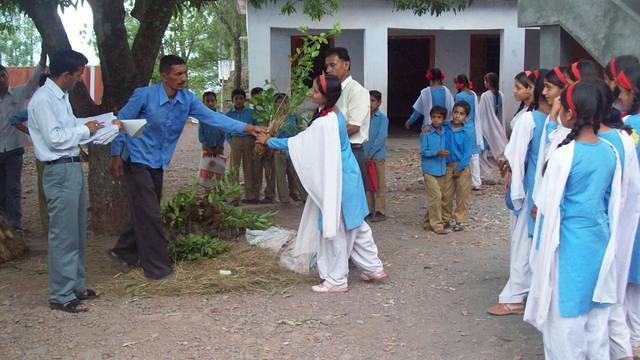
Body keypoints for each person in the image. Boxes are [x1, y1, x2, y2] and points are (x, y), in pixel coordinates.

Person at [109, 55, 264, 280]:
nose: (183, 78)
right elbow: (120, 123)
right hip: (136, 159)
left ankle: (121, 252)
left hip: (158, 161)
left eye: (185, 73)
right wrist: (116, 155)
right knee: (151, 213)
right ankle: (158, 269)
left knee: (146, 210)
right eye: (178, 74)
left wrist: (248, 128)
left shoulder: (187, 100)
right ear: (164, 76)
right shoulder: (144, 95)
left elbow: (214, 118)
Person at [255, 73, 385, 293]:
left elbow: (300, 143)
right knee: (357, 224)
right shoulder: (337, 115)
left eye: (315, 91)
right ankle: (373, 268)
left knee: (333, 228)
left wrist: (270, 141)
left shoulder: (324, 122)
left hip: (337, 179)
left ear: (326, 96)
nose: (311, 94)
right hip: (349, 174)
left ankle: (336, 280)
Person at [524, 82, 621, 359]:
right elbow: (612, 201)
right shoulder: (609, 151)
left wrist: (540, 258)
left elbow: (548, 208)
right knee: (596, 315)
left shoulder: (565, 154)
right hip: (599, 240)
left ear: (568, 113)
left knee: (566, 320)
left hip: (567, 243)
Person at [28, 49, 104, 313]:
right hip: (58, 169)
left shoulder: (61, 98)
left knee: (78, 230)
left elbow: (71, 126)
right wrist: (86, 130)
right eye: (78, 75)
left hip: (71, 168)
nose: (80, 80)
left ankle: (76, 285)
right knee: (63, 233)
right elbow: (55, 138)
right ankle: (61, 294)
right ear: (65, 74)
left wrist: (96, 124)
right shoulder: (43, 100)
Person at [487, 70, 539, 316]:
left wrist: (510, 174)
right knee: (527, 240)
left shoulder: (531, 120)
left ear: (532, 89)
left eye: (519, 87)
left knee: (522, 240)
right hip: (533, 184)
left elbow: (517, 156)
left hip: (529, 187)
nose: (515, 92)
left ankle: (516, 295)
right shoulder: (533, 115)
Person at [0, 51, 47, 231]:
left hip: (13, 150)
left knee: (12, 188)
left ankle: (15, 225)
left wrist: (43, 54)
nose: (1, 79)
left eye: (3, 75)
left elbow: (35, 78)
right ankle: (3, 225)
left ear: (7, 76)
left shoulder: (19, 93)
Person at [617, 64, 640, 358]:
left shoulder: (629, 127)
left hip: (631, 209)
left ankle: (633, 339)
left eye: (620, 90)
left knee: (629, 278)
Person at [325, 47, 370, 186]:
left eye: (332, 65)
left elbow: (353, 127)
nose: (328, 70)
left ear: (346, 64)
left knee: (351, 198)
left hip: (351, 151)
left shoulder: (357, 91)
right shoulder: (332, 92)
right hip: (333, 149)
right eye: (326, 66)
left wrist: (324, 137)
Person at [419, 105, 450, 235]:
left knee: (437, 197)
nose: (436, 120)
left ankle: (427, 222)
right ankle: (437, 225)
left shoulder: (445, 131)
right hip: (429, 169)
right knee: (436, 196)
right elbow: (423, 152)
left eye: (439, 117)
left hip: (442, 169)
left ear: (443, 119)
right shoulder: (426, 133)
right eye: (434, 117)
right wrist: (436, 152)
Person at [442, 101, 472, 232]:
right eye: (455, 112)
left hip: (462, 167)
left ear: (466, 117)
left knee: (462, 195)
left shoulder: (467, 132)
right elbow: (432, 128)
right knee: (446, 194)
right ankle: (445, 218)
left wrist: (459, 168)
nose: (457, 116)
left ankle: (460, 220)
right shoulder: (445, 128)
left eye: (461, 114)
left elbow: (467, 153)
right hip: (448, 165)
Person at [225, 88, 259, 204]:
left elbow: (256, 127)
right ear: (232, 100)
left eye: (241, 98)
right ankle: (234, 197)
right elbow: (226, 129)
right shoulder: (229, 114)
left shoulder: (251, 113)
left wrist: (255, 141)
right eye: (236, 99)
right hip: (235, 140)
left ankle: (250, 195)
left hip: (248, 140)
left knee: (249, 167)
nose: (239, 101)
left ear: (244, 100)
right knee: (233, 168)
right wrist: (230, 140)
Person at [453, 74, 482, 191]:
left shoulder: (459, 96)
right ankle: (477, 182)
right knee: (474, 156)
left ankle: (461, 180)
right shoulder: (473, 94)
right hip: (473, 127)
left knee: (462, 154)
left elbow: (456, 112)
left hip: (462, 127)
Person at [475, 72, 507, 177]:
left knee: (482, 150)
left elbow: (480, 112)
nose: (484, 83)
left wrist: (478, 124)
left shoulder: (485, 96)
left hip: (488, 127)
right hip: (498, 126)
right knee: (495, 149)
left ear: (489, 82)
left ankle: (485, 172)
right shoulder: (501, 95)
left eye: (485, 81)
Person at [272, 93, 301, 204]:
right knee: (280, 175)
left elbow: (298, 131)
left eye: (283, 102)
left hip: (292, 148)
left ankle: (295, 193)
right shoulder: (273, 118)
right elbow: (271, 134)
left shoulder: (293, 116)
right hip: (278, 149)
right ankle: (284, 198)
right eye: (278, 102)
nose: (281, 105)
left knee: (294, 174)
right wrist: (274, 146)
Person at [363, 90, 388, 222]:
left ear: (379, 103)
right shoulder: (363, 117)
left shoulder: (383, 119)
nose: (369, 103)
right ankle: (369, 209)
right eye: (368, 100)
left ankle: (380, 210)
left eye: (372, 101)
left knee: (378, 183)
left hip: (377, 156)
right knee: (368, 184)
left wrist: (371, 153)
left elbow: (381, 137)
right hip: (365, 155)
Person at [250, 87, 276, 203]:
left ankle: (270, 195)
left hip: (268, 144)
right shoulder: (250, 113)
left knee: (269, 171)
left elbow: (273, 128)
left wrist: (269, 143)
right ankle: (256, 195)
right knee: (256, 171)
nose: (258, 99)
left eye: (261, 96)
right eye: (255, 97)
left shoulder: (270, 112)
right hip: (256, 145)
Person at [198, 91, 225, 157]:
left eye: (212, 100)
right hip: (206, 147)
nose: (210, 103)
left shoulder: (221, 116)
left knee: (218, 165)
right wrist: (206, 146)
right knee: (206, 165)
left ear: (216, 101)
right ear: (203, 102)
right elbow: (201, 133)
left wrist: (219, 145)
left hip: (219, 147)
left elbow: (223, 133)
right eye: (207, 101)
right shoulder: (202, 117)